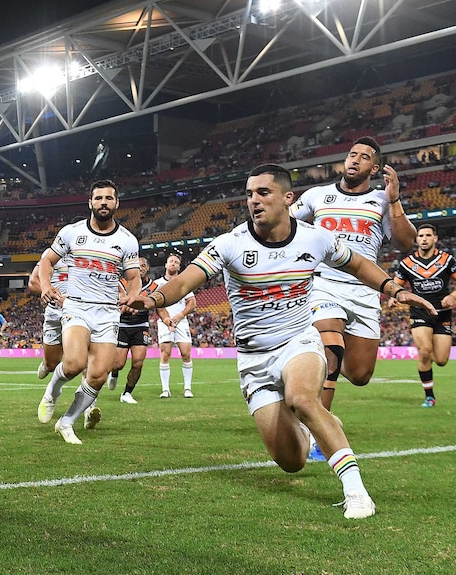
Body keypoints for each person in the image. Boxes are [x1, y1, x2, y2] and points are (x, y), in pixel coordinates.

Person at [124, 164, 435, 518]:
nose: (253, 200)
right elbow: (184, 282)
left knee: (302, 398)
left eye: (263, 192)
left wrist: (394, 289)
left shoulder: (314, 237)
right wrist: (153, 300)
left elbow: (358, 264)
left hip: (298, 340)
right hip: (254, 359)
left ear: (288, 198)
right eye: (249, 194)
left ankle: (356, 491)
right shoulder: (230, 244)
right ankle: (321, 425)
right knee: (292, 461)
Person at [290, 136, 417, 412]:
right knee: (331, 346)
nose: (355, 159)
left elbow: (406, 244)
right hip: (323, 284)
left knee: (360, 375)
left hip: (364, 289)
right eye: (352, 154)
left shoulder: (382, 200)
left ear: (374, 169)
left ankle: (307, 359)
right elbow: (284, 222)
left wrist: (394, 201)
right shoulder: (317, 195)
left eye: (364, 156)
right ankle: (317, 431)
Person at [37, 179, 141, 444]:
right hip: (77, 306)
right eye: (98, 198)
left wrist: (132, 295)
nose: (103, 203)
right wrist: (46, 285)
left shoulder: (127, 240)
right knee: (73, 364)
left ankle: (67, 421)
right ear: (90, 203)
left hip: (107, 313)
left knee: (98, 375)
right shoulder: (72, 232)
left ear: (116, 203)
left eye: (108, 198)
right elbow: (47, 260)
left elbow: (133, 276)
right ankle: (52, 392)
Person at [389, 223, 456, 408]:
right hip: (419, 313)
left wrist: (452, 295)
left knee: (441, 360)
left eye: (428, 235)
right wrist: (393, 297)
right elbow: (396, 286)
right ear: (416, 239)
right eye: (420, 236)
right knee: (425, 351)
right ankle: (429, 397)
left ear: (435, 239)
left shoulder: (447, 260)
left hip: (442, 314)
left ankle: (429, 363)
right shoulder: (407, 264)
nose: (424, 239)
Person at [108, 257, 161, 404]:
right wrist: (128, 307)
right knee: (118, 363)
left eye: (143, 265)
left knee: (138, 363)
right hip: (123, 325)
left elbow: (159, 306)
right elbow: (120, 305)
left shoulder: (154, 287)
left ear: (147, 268)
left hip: (141, 326)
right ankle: (114, 372)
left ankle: (127, 393)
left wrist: (167, 319)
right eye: (137, 266)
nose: (140, 268)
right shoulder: (122, 283)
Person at [153, 253, 197, 399]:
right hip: (165, 322)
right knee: (165, 354)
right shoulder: (158, 283)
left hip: (181, 321)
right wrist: (167, 320)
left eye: (176, 262)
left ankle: (187, 388)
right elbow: (157, 305)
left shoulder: (183, 283)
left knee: (186, 353)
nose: (173, 264)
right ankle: (165, 389)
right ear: (166, 265)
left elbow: (192, 303)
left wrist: (180, 316)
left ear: (179, 266)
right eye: (171, 261)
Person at [29, 248, 69, 380]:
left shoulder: (90, 253)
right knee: (52, 364)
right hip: (55, 311)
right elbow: (33, 281)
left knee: (82, 359)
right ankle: (46, 365)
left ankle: (88, 399)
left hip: (81, 311)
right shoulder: (52, 253)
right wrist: (55, 297)